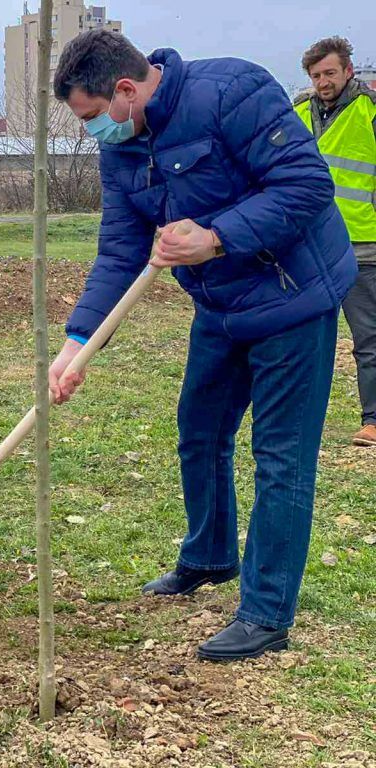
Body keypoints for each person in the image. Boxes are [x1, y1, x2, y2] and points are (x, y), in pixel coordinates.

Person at [48, 30, 356, 661]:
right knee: (200, 431)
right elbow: (119, 249)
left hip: (292, 295)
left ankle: (266, 612)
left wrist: (215, 237)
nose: (90, 134)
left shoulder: (232, 92)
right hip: (219, 306)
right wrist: (78, 340)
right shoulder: (124, 146)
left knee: (280, 458)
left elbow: (305, 185)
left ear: (126, 92)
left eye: (89, 118)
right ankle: (210, 556)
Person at [295, 37, 376, 446]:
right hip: (308, 248)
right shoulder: (295, 115)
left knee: (369, 338)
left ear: (348, 70)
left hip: (364, 245)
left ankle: (374, 420)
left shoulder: (370, 112)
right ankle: (297, 416)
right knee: (301, 337)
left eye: (330, 72)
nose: (323, 81)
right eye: (316, 75)